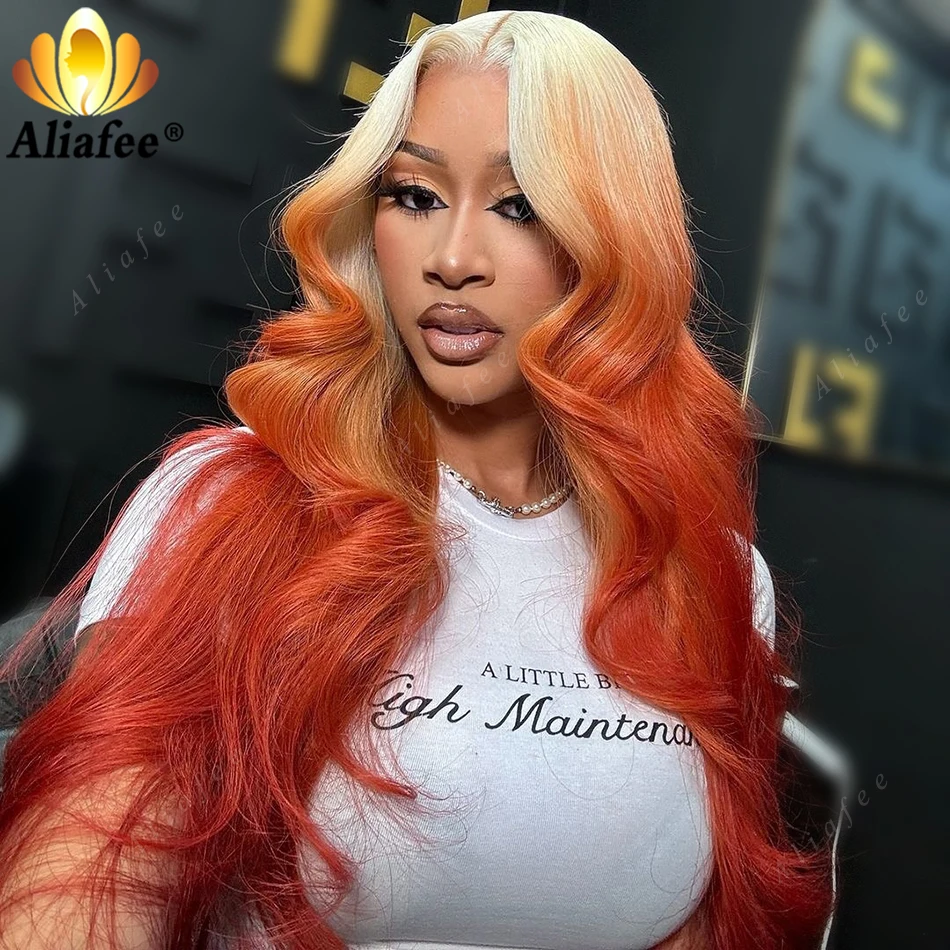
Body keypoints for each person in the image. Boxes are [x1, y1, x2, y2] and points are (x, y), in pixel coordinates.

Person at [0, 10, 833, 950]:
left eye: (520, 207)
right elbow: (85, 883)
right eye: (416, 195)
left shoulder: (716, 577)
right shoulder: (235, 504)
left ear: (615, 242)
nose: (452, 260)